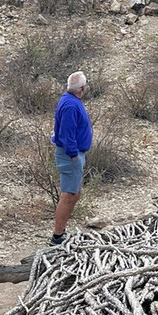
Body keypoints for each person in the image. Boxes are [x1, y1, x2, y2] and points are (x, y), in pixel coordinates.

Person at [50, 71, 92, 246]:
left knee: (74, 193)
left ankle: (61, 232)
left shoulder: (70, 101)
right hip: (70, 156)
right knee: (68, 195)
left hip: (74, 155)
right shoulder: (70, 106)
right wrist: (73, 154)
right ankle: (57, 236)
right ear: (82, 89)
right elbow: (67, 133)